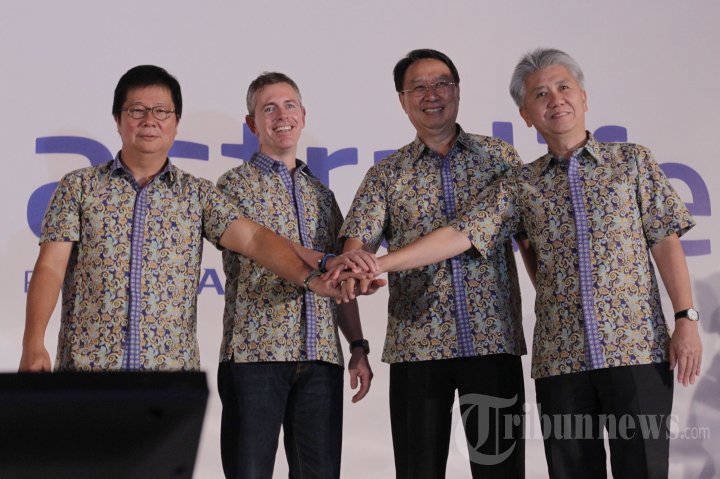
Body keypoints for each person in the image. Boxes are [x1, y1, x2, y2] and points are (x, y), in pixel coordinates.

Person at [362, 48, 703, 479]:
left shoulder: (632, 162)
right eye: (540, 94)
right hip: (560, 362)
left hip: (636, 349)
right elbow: (460, 234)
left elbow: (666, 242)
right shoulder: (521, 184)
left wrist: (685, 318)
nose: (555, 100)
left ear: (583, 97)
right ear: (525, 114)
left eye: (564, 88)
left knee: (644, 471)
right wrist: (381, 264)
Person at [19, 65, 367, 373]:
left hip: (170, 378)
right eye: (137, 110)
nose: (149, 120)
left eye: (161, 111)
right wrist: (33, 342)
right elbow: (50, 266)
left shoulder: (197, 195)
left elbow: (254, 240)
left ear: (176, 123)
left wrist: (315, 275)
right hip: (88, 369)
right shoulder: (79, 187)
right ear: (117, 119)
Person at [339, 49, 530, 479]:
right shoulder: (386, 174)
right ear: (402, 100)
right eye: (419, 87)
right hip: (417, 346)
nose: (432, 95)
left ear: (457, 91)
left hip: (491, 343)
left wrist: (379, 264)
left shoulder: (500, 159)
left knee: (501, 471)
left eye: (441, 84)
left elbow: (529, 241)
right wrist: (356, 264)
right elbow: (357, 240)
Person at [215, 72, 380, 479]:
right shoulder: (233, 186)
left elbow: (339, 279)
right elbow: (262, 244)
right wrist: (322, 265)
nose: (281, 116)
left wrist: (358, 345)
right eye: (269, 108)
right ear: (252, 123)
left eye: (289, 106)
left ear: (303, 116)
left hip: (321, 357)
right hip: (255, 356)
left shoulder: (322, 195)